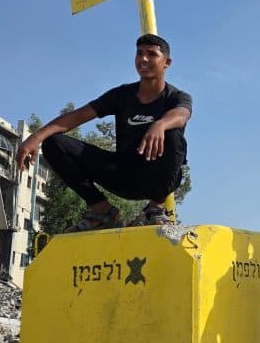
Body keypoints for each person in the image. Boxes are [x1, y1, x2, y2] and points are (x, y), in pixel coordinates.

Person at [15, 33, 191, 231]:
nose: (143, 59)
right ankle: (103, 212)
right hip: (122, 174)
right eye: (139, 53)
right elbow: (77, 117)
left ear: (167, 62)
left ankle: (154, 210)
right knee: (52, 142)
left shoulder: (177, 97)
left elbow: (181, 114)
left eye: (151, 54)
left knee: (174, 135)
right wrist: (36, 137)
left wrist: (160, 124)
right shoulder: (122, 95)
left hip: (157, 178)